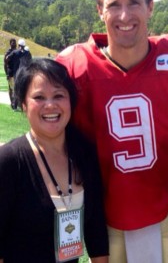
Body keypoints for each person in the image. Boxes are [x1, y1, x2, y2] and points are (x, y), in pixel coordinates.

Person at [55, 0, 168, 262]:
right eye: (114, 4)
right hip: (109, 216)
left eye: (134, 3)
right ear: (99, 10)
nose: (125, 15)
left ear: (150, 7)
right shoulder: (74, 68)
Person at [0, 58, 109, 263]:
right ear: (23, 104)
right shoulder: (9, 162)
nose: (50, 105)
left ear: (70, 101)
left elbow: (96, 231)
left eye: (59, 95)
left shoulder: (84, 154)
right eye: (39, 97)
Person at [4, 38, 32, 110]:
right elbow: (30, 62)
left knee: (14, 89)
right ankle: (21, 105)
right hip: (24, 73)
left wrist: (8, 65)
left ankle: (15, 106)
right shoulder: (27, 53)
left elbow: (6, 59)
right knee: (22, 89)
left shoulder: (15, 52)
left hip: (16, 73)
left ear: (18, 44)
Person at [3, 38, 17, 108]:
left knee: (16, 88)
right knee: (11, 88)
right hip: (10, 72)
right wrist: (7, 73)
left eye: (15, 43)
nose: (14, 44)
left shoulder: (17, 52)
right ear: (10, 44)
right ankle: (12, 102)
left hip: (17, 72)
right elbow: (5, 64)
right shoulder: (8, 52)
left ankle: (15, 102)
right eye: (13, 43)